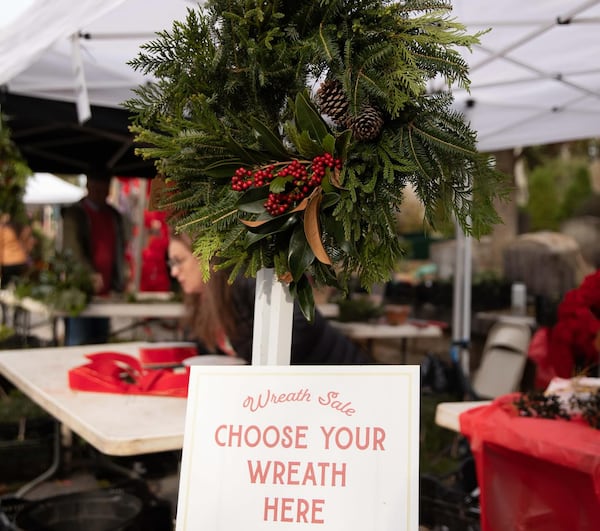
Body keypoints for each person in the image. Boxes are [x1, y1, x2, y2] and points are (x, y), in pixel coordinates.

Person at [168, 232, 371, 364]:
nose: (175, 272)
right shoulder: (200, 303)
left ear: (206, 257)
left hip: (339, 376)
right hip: (301, 391)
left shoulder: (246, 278)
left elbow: (301, 323)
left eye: (180, 261)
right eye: (171, 264)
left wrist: (259, 370)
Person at [61, 173, 127, 345]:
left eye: (104, 188)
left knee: (100, 342)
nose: (100, 193)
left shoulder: (114, 215)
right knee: (79, 343)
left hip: (107, 293)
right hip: (81, 293)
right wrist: (88, 274)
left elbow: (120, 249)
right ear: (88, 186)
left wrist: (122, 278)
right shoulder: (75, 214)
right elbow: (72, 249)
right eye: (96, 188)